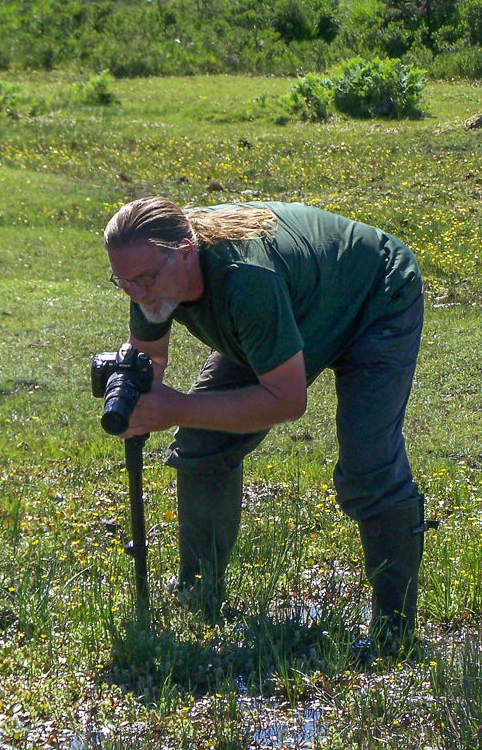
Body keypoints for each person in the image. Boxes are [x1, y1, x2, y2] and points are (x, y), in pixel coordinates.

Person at [102, 196, 430, 646]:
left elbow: (286, 401)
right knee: (202, 443)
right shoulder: (151, 273)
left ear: (185, 252)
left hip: (376, 296)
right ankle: (199, 598)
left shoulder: (245, 279)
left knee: (368, 464)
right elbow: (150, 356)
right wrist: (139, 397)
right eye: (123, 284)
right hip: (295, 310)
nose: (137, 295)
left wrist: (175, 408)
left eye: (144, 280)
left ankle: (396, 634)